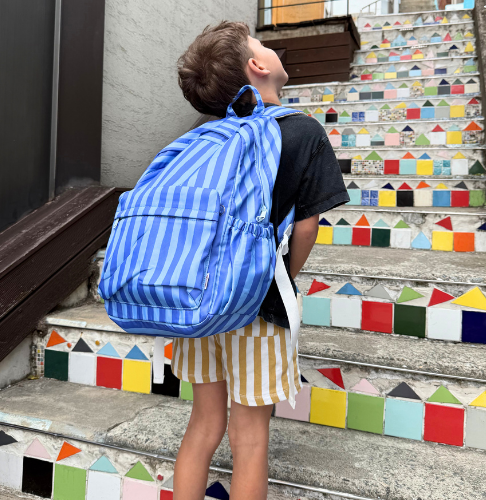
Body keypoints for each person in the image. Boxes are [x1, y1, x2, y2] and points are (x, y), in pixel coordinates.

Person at [169, 21, 349, 499]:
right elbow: (306, 227)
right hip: (258, 305)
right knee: (248, 438)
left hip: (200, 301)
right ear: (259, 66)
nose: (271, 48)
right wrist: (281, 280)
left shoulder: (203, 134)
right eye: (263, 45)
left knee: (203, 425)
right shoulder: (301, 132)